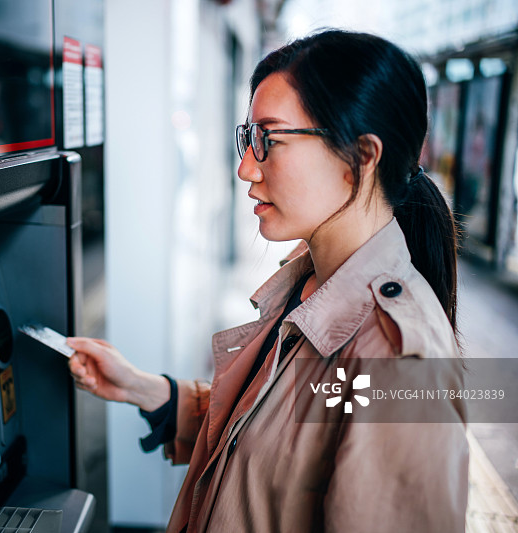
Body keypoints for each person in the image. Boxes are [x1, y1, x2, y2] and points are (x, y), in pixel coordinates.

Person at [67, 29, 468, 532]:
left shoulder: (400, 366)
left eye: (269, 141)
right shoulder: (313, 286)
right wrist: (150, 391)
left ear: (362, 157)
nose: (244, 169)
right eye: (248, 138)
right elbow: (274, 444)